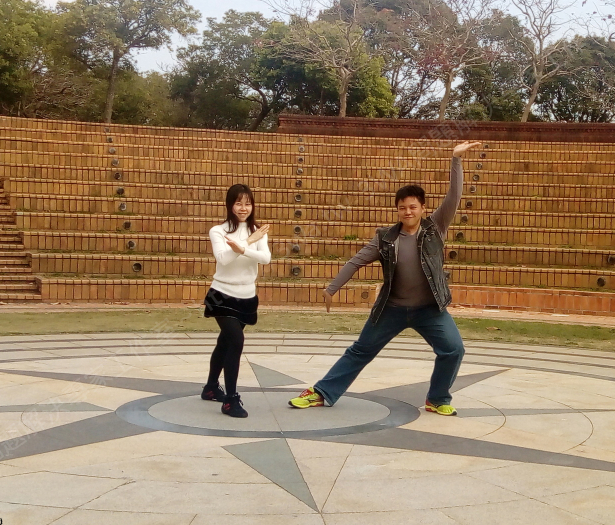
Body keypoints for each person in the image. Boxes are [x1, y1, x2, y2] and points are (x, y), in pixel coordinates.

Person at [289, 140, 482, 416]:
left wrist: (456, 159)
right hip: (391, 309)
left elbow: (454, 196)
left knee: (454, 349)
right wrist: (331, 289)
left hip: (430, 310)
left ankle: (437, 398)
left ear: (423, 208)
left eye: (413, 207)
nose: (408, 212)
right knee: (360, 350)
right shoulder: (385, 238)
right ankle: (321, 392)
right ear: (397, 210)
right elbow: (356, 261)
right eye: (402, 208)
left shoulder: (436, 227)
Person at [203, 184, 271, 418]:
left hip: (247, 297)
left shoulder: (259, 232)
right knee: (236, 341)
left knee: (225, 342)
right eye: (238, 203)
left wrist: (243, 247)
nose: (243, 208)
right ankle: (230, 400)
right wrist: (248, 242)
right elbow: (223, 259)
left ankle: (211, 387)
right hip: (221, 295)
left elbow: (266, 258)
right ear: (230, 205)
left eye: (248, 203)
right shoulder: (218, 231)